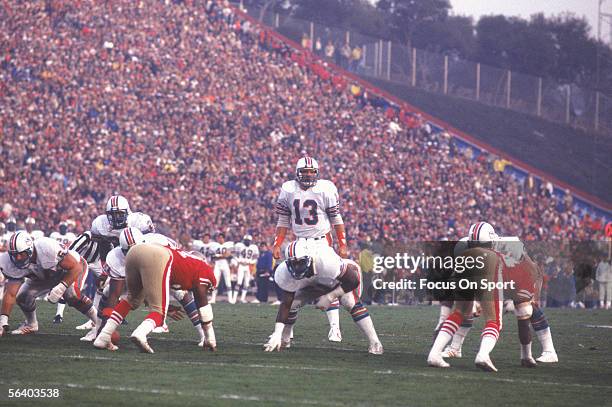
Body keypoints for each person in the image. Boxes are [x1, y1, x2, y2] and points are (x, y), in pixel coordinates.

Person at [273, 156, 347, 342]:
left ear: (317, 173)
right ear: (297, 173)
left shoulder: (326, 188)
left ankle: (335, 328)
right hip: (300, 242)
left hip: (322, 241)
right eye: (304, 171)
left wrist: (342, 242)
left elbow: (336, 218)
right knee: (292, 283)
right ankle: (287, 332)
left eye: (311, 171)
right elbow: (283, 219)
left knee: (328, 281)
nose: (308, 175)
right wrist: (277, 242)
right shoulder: (288, 189)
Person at [263, 239, 383, 354]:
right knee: (293, 303)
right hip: (314, 284)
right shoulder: (285, 271)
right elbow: (286, 303)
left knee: (349, 302)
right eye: (293, 263)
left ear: (311, 258)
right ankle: (285, 338)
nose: (297, 267)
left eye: (300, 262)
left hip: (337, 280)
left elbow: (353, 280)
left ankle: (375, 342)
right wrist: (277, 333)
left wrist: (330, 296)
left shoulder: (327, 262)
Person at [94, 243, 217, 353]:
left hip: (134, 251)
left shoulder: (182, 261)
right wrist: (210, 337)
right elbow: (202, 304)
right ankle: (140, 333)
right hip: (158, 257)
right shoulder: (203, 269)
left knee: (132, 299)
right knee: (158, 312)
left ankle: (103, 337)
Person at [427, 222, 504, 372]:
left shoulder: (461, 246)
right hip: (486, 274)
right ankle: (483, 355)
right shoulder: (493, 251)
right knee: (494, 320)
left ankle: (434, 353)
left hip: (462, 274)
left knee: (459, 313)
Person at [0, 232, 99, 340]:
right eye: (14, 254)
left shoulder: (46, 248)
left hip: (69, 270)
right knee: (23, 296)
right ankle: (31, 324)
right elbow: (10, 293)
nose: (17, 258)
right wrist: (3, 321)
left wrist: (61, 288)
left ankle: (99, 324)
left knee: (72, 295)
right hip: (44, 277)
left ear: (29, 249)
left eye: (20, 253)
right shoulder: (9, 261)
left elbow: (77, 267)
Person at [233, 234, 259, 303]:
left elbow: (256, 257)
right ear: (244, 240)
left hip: (248, 266)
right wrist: (239, 261)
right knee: (239, 282)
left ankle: (242, 298)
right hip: (241, 265)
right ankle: (234, 299)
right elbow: (234, 255)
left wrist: (251, 262)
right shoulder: (239, 246)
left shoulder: (254, 247)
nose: (247, 242)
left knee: (246, 283)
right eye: (246, 240)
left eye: (248, 241)